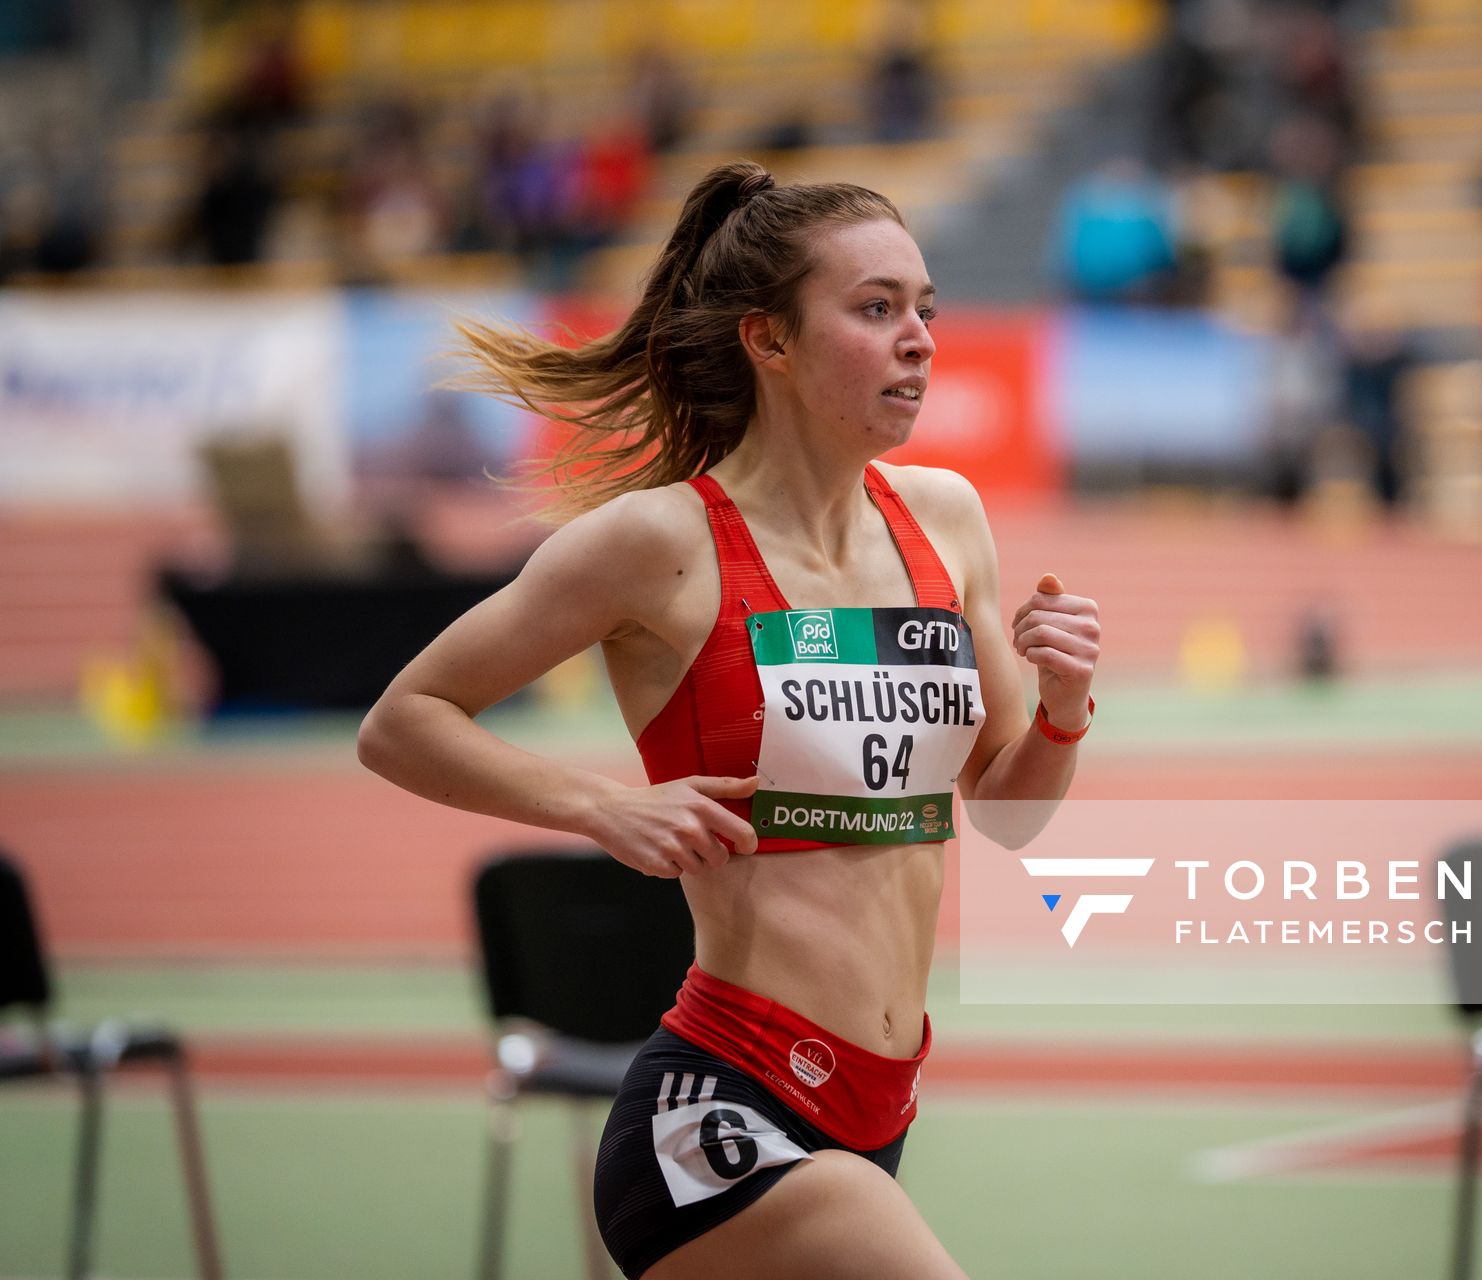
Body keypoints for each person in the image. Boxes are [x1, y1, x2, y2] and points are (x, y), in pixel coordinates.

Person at [355, 160, 1101, 1279]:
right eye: (875, 307)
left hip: (877, 1102)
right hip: (720, 1106)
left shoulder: (946, 521)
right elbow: (404, 717)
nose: (919, 339)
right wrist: (603, 804)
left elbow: (1005, 814)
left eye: (925, 309)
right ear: (771, 340)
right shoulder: (659, 544)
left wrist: (1062, 710)